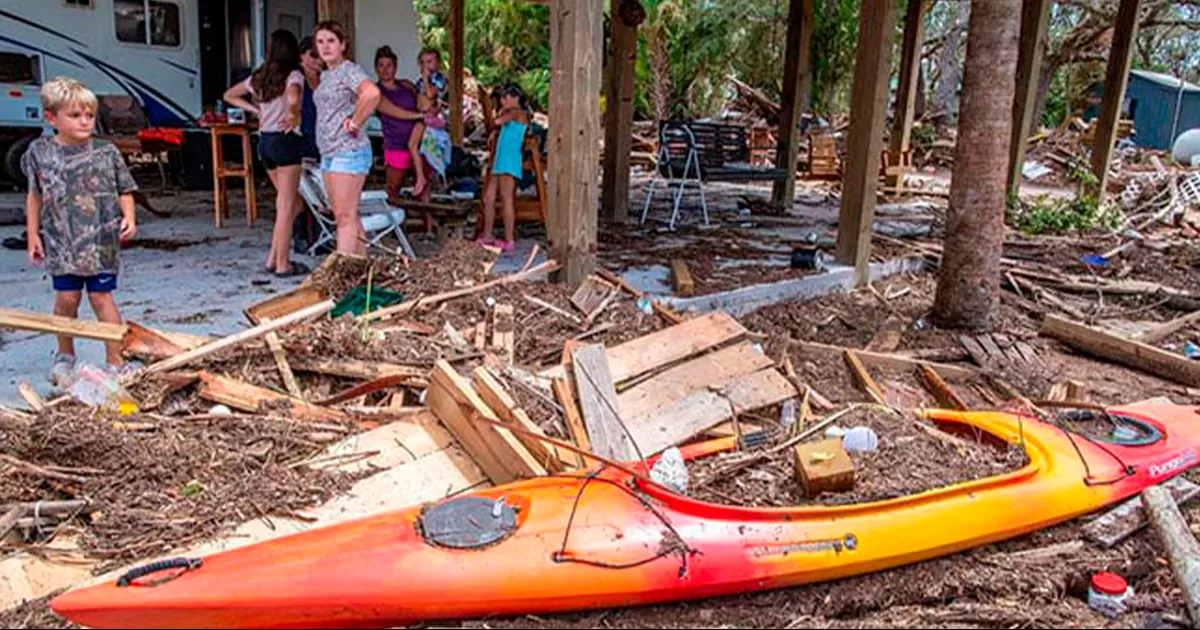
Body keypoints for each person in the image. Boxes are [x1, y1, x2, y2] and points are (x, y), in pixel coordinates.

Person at [21, 76, 138, 384]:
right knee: (67, 297)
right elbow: (34, 195)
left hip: (101, 242)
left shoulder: (106, 152)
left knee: (101, 297)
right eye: (75, 115)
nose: (85, 121)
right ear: (52, 118)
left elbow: (125, 188)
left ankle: (116, 360)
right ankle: (65, 356)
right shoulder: (39, 153)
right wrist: (33, 234)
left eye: (89, 115)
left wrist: (129, 216)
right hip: (62, 241)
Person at [222, 29, 308, 276]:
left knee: (290, 203)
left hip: (265, 141)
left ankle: (273, 258)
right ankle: (283, 264)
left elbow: (229, 95)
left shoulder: (260, 77)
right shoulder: (293, 74)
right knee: (287, 205)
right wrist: (293, 113)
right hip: (286, 140)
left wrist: (256, 110)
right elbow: (294, 96)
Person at [311, 20, 380, 255]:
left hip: (348, 150)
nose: (325, 46)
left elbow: (371, 93)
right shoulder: (326, 75)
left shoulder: (348, 70)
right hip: (329, 151)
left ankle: (342, 268)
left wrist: (355, 121)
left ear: (342, 45)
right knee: (348, 215)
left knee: (344, 218)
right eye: (320, 42)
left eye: (331, 41)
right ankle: (360, 268)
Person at [372, 46, 434, 233]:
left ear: (396, 66)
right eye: (381, 65)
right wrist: (419, 116)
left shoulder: (406, 85)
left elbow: (424, 102)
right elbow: (394, 111)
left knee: (423, 186)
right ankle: (392, 228)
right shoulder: (375, 91)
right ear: (376, 68)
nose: (385, 69)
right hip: (395, 144)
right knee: (393, 188)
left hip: (418, 140)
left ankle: (428, 229)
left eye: (389, 65)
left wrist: (428, 107)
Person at [478, 84, 529, 253]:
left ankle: (509, 239)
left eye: (506, 97)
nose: (503, 101)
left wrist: (496, 115)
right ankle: (487, 235)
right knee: (489, 197)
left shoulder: (517, 112)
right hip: (499, 159)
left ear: (516, 98)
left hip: (509, 159)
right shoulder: (511, 113)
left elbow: (497, 122)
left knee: (507, 199)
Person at [410, 48, 452, 198]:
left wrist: (426, 78)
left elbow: (430, 94)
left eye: (429, 62)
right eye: (422, 63)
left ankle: (422, 178)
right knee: (414, 147)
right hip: (422, 116)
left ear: (438, 63)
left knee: (413, 145)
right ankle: (421, 177)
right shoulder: (421, 81)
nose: (425, 66)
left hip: (431, 120)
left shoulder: (439, 79)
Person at [297, 36, 322, 161]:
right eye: (314, 55)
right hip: (302, 137)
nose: (318, 59)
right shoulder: (296, 78)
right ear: (301, 55)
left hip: (323, 137)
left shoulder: (326, 78)